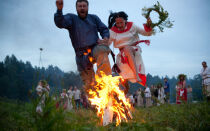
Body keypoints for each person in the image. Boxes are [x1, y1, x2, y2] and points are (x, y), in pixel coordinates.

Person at [54, 0, 112, 95]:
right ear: (76, 8)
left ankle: (104, 80)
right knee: (89, 85)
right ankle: (95, 105)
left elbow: (104, 29)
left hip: (94, 48)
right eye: (79, 6)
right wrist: (59, 10)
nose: (82, 8)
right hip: (81, 55)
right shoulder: (71, 18)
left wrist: (105, 38)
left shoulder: (94, 18)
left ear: (87, 7)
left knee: (102, 49)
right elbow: (60, 23)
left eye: (84, 6)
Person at [108, 11, 153, 88]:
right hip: (122, 53)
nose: (119, 25)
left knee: (127, 48)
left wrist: (149, 26)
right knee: (124, 74)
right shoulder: (112, 31)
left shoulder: (132, 26)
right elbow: (107, 44)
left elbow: (147, 33)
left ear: (125, 20)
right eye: (117, 23)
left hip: (134, 49)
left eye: (121, 22)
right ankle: (127, 86)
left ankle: (136, 75)